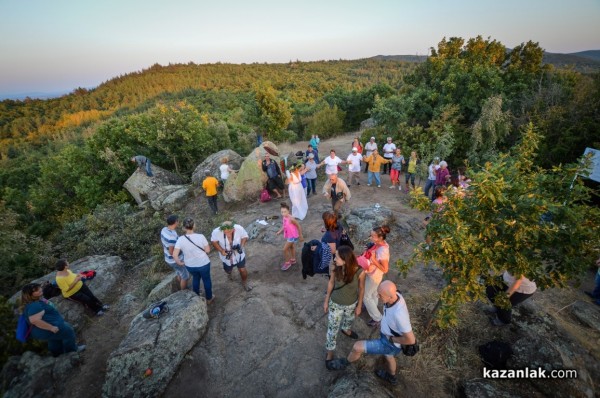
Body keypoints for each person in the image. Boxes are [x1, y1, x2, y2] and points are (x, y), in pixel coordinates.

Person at [327, 281, 416, 387]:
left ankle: (344, 363)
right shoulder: (397, 296)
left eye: (380, 295)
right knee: (389, 356)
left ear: (390, 296)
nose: (377, 296)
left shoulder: (399, 315)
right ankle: (392, 377)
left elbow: (411, 340)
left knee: (357, 347)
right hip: (388, 338)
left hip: (389, 343)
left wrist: (393, 340)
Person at [324, 246, 366, 368]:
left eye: (337, 257)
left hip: (351, 304)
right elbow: (331, 283)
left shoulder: (360, 271)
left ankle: (346, 329)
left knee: (349, 319)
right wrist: (326, 301)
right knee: (332, 330)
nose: (334, 258)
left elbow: (362, 289)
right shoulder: (334, 268)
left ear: (345, 259)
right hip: (335, 304)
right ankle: (330, 353)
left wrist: (359, 305)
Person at [21, 282, 86, 356]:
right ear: (30, 295)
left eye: (38, 287)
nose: (39, 289)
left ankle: (57, 354)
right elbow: (35, 320)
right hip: (50, 327)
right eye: (36, 290)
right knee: (69, 333)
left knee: (54, 339)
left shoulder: (34, 302)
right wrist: (51, 328)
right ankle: (72, 351)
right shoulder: (34, 306)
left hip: (45, 329)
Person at [174, 218, 214, 303]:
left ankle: (196, 299)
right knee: (206, 280)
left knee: (196, 279)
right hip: (203, 263)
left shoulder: (180, 239)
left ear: (183, 228)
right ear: (194, 226)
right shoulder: (201, 237)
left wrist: (179, 262)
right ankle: (209, 298)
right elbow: (208, 250)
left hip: (190, 265)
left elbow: (175, 254)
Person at [211, 221, 252, 292]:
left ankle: (245, 282)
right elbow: (213, 242)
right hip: (226, 256)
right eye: (225, 232)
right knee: (228, 270)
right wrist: (221, 250)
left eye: (229, 232)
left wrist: (241, 246)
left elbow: (245, 236)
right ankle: (229, 274)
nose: (227, 234)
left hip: (239, 255)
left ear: (233, 229)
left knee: (242, 269)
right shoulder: (216, 232)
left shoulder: (239, 228)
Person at [363, 226, 391, 327]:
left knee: (366, 296)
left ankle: (377, 318)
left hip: (374, 276)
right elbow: (373, 251)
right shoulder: (379, 244)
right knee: (374, 293)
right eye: (370, 235)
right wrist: (369, 248)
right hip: (374, 274)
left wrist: (374, 261)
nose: (370, 237)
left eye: (373, 236)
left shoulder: (383, 251)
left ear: (380, 237)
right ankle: (372, 307)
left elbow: (385, 269)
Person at [160, 214, 190, 291]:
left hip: (168, 259)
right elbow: (171, 252)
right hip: (175, 260)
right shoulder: (172, 237)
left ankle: (181, 286)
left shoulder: (164, 230)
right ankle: (185, 292)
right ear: (175, 222)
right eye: (178, 220)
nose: (178, 222)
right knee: (185, 276)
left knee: (179, 272)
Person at [276, 203, 304, 271]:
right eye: (282, 212)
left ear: (288, 211)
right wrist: (280, 231)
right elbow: (284, 225)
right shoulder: (284, 217)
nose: (283, 213)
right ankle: (293, 259)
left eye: (285, 211)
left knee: (285, 249)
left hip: (293, 236)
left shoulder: (291, 219)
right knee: (291, 247)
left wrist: (300, 235)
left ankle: (287, 263)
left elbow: (298, 226)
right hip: (289, 235)